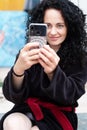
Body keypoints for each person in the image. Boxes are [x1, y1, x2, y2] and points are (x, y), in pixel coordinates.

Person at [0, 0, 87, 130]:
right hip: (26, 109)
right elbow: (13, 97)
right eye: (47, 25)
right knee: (12, 124)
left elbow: (70, 95)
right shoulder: (28, 52)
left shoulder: (80, 58)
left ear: (70, 27)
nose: (52, 32)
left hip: (58, 115)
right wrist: (18, 69)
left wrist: (53, 72)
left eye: (59, 25)